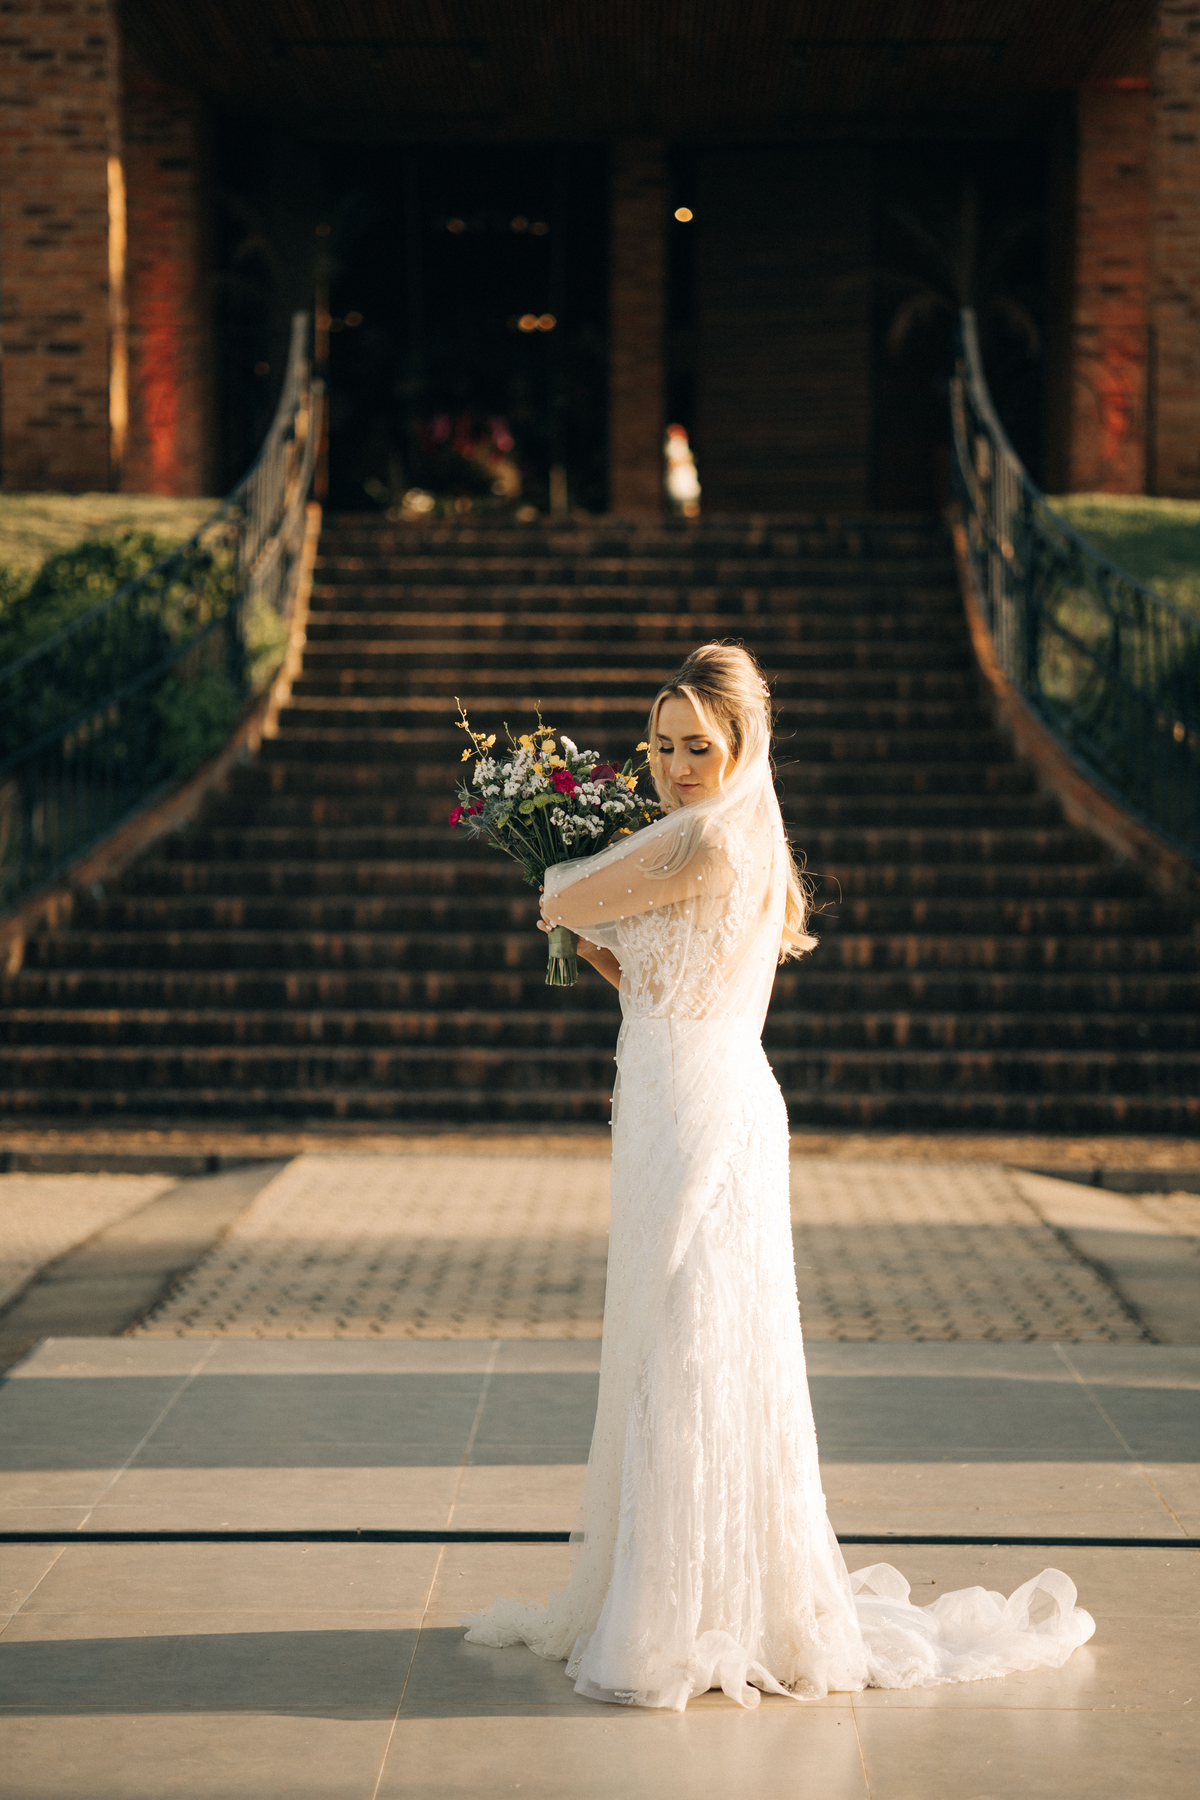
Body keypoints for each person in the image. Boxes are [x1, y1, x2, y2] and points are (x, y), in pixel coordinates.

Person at [463, 641, 1094, 1711]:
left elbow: (575, 893)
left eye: (696, 745)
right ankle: (677, 1583)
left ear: (741, 744)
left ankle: (689, 1611)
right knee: (673, 1335)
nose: (674, 764)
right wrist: (586, 926)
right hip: (673, 1090)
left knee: (693, 1338)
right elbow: (650, 970)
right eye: (660, 745)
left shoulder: (710, 838)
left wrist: (554, 883)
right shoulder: (706, 835)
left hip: (705, 1109)